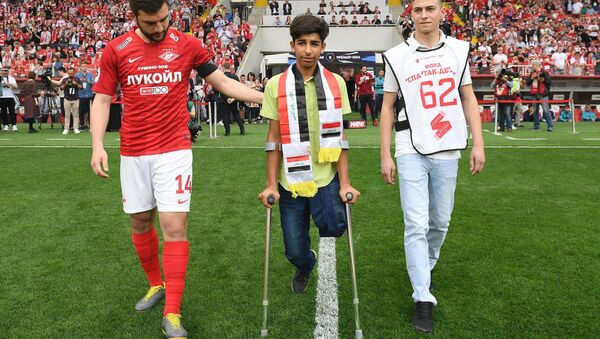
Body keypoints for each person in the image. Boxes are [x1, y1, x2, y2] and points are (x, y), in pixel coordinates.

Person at [89, 0, 263, 338]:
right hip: (134, 151)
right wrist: (97, 145)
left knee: (173, 225)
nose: (159, 27)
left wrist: (267, 96)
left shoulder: (187, 44)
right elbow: (102, 98)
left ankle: (173, 312)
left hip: (174, 149)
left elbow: (225, 84)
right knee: (140, 220)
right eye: (151, 22)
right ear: (135, 17)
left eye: (164, 20)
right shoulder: (116, 49)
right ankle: (156, 284)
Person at [380, 0, 485, 333]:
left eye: (430, 9)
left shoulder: (458, 51)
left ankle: (424, 268)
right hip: (410, 145)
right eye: (418, 10)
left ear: (442, 12)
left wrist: (479, 143)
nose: (424, 15)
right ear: (411, 16)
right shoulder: (397, 56)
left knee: (440, 221)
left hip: (448, 146)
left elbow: (468, 98)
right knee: (416, 222)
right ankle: (422, 297)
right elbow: (386, 108)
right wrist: (385, 154)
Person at [257, 14, 360, 295]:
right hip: (290, 180)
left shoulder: (336, 82)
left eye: (314, 43)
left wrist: (346, 182)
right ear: (292, 45)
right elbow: (273, 138)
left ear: (323, 47)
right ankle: (305, 263)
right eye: (301, 43)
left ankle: (322, 228)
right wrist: (269, 184)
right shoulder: (275, 85)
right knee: (294, 249)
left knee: (334, 226)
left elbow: (341, 136)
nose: (307, 50)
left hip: (326, 177)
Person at [218, 62, 246, 135]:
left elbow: (221, 88)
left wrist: (227, 98)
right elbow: (237, 88)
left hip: (224, 99)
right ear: (230, 67)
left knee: (225, 116)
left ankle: (227, 131)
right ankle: (242, 129)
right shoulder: (235, 77)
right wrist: (233, 98)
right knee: (236, 115)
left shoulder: (221, 76)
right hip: (233, 98)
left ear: (223, 67)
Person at [526, 62, 553, 131]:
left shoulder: (544, 72)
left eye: (533, 65)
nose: (532, 67)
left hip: (542, 94)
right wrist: (532, 78)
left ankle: (550, 126)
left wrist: (542, 79)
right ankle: (536, 126)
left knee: (546, 110)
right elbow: (528, 83)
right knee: (535, 111)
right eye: (532, 65)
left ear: (537, 66)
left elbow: (549, 82)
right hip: (534, 94)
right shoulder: (532, 73)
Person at [61, 67, 82, 134]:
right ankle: (66, 128)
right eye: (69, 73)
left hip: (75, 99)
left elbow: (81, 87)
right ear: (67, 73)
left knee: (75, 114)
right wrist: (65, 84)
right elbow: (61, 88)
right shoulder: (65, 79)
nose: (70, 74)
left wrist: (76, 84)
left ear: (74, 73)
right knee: (67, 114)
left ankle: (75, 128)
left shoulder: (77, 79)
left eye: (72, 73)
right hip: (67, 98)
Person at [75, 61, 95, 130]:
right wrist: (80, 81)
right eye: (83, 66)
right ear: (80, 67)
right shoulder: (77, 75)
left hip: (89, 95)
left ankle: (90, 124)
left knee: (90, 111)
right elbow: (75, 84)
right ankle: (82, 124)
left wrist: (87, 81)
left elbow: (93, 83)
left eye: (85, 66)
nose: (84, 67)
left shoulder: (90, 75)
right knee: (81, 111)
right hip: (81, 95)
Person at [0, 67, 19, 131]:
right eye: (3, 71)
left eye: (6, 71)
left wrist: (9, 84)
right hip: (2, 97)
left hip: (10, 96)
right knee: (4, 112)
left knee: (12, 112)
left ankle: (14, 125)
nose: (5, 72)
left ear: (8, 72)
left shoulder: (11, 78)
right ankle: (5, 125)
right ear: (1, 72)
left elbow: (16, 87)